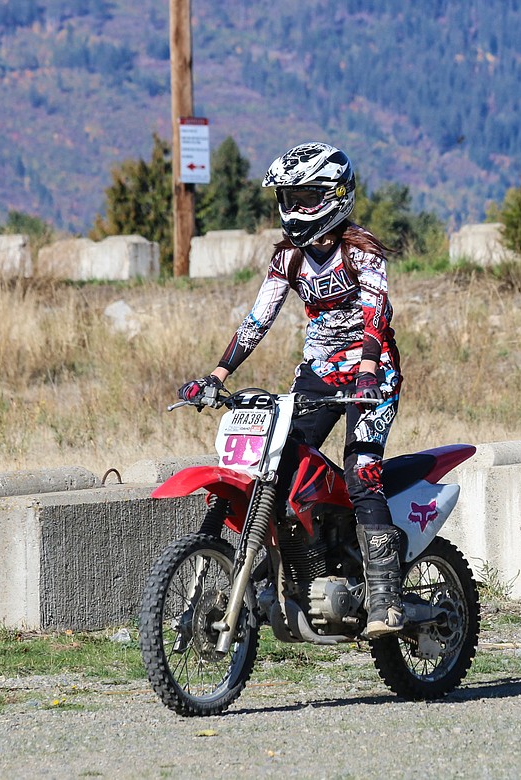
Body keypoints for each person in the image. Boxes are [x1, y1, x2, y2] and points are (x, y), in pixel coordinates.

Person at [178, 142, 405, 638]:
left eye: (308, 196)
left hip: (373, 373)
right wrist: (217, 376)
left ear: (336, 195)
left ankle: (386, 601)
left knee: (362, 471)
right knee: (277, 462)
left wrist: (367, 365)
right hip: (319, 373)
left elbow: (376, 311)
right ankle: (289, 571)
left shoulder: (360, 251)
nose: (298, 208)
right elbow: (258, 318)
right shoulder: (289, 258)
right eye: (291, 197)